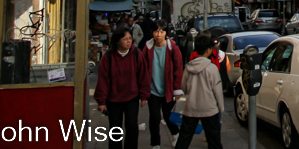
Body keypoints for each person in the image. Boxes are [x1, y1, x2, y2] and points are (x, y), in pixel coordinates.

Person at [95, 25, 150, 149]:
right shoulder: (108, 57)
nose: (128, 41)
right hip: (113, 98)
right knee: (115, 128)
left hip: (132, 97)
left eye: (130, 38)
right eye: (125, 39)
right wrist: (101, 101)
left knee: (131, 126)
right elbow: (103, 80)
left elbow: (143, 75)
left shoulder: (136, 53)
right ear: (117, 41)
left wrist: (144, 96)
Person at [175, 32, 224, 149]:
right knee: (214, 141)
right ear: (208, 50)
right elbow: (217, 91)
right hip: (209, 109)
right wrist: (220, 108)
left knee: (184, 139)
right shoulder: (211, 68)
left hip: (191, 108)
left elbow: (184, 87)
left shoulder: (188, 67)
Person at [143, 20, 184, 149]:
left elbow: (178, 69)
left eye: (161, 31)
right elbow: (142, 70)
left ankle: (175, 133)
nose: (158, 35)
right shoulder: (148, 48)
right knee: (154, 118)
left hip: (168, 89)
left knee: (168, 116)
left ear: (166, 33)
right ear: (152, 33)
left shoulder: (173, 49)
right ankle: (155, 143)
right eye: (156, 31)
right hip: (152, 90)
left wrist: (177, 89)